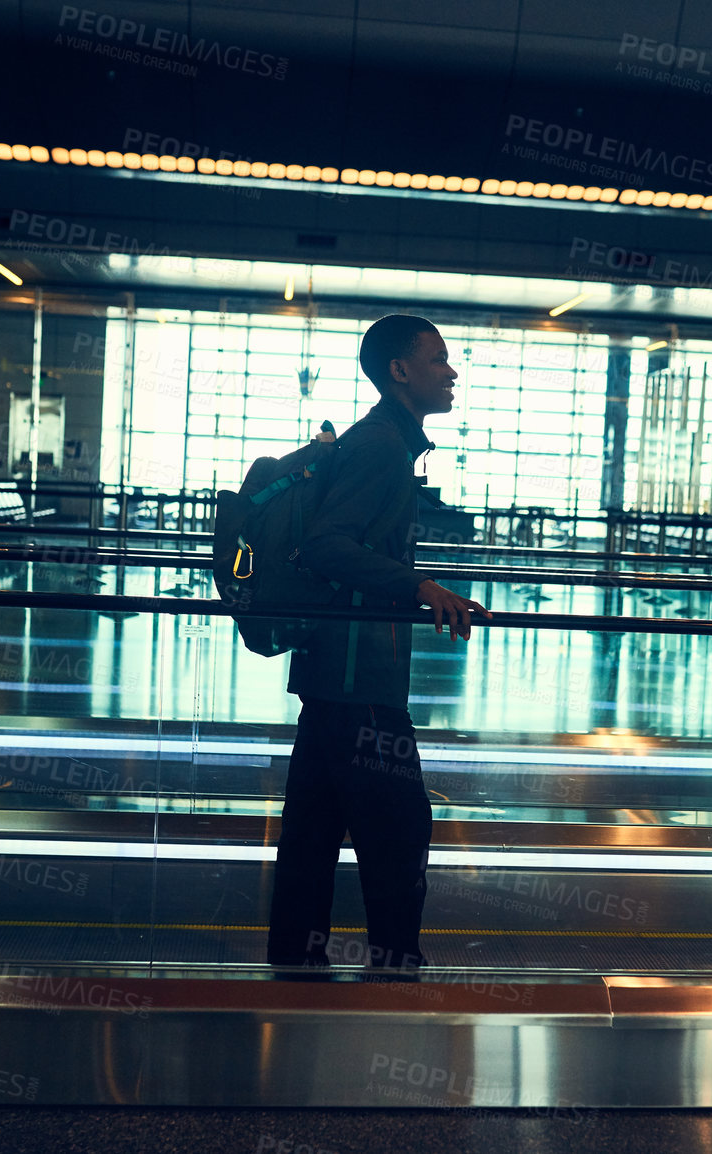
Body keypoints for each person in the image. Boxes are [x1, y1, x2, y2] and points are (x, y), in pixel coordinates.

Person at [266, 313, 492, 973]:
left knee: (312, 835)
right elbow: (328, 544)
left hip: (336, 677)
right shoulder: (380, 447)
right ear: (400, 372)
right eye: (438, 360)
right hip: (360, 681)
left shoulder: (385, 441)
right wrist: (422, 586)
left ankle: (296, 966)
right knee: (398, 831)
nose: (451, 373)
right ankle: (395, 971)